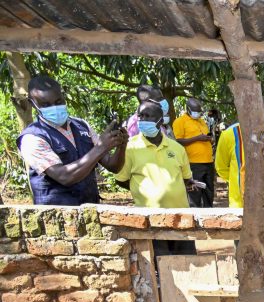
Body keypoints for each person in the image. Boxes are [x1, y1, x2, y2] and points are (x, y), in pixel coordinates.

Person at [17, 74, 127, 206]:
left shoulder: (82, 126)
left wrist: (121, 144)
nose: (54, 107)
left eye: (58, 102)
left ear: (63, 97)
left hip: (89, 211)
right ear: (32, 104)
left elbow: (113, 166)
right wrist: (101, 147)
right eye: (45, 105)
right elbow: (64, 177)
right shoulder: (32, 138)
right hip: (56, 216)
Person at [114, 100, 195, 208]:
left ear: (160, 121)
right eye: (140, 116)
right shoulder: (130, 147)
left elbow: (186, 178)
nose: (143, 120)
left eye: (148, 116)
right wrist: (144, 189)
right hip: (148, 218)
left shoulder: (177, 148)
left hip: (180, 214)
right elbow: (121, 180)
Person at [172, 97, 215, 207]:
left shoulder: (202, 121)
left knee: (209, 191)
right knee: (194, 192)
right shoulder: (180, 122)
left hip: (208, 161)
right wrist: (197, 138)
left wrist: (209, 139)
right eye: (195, 111)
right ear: (188, 109)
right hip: (193, 163)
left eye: (199, 111)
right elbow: (178, 141)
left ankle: (209, 215)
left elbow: (205, 136)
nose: (198, 114)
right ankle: (195, 217)